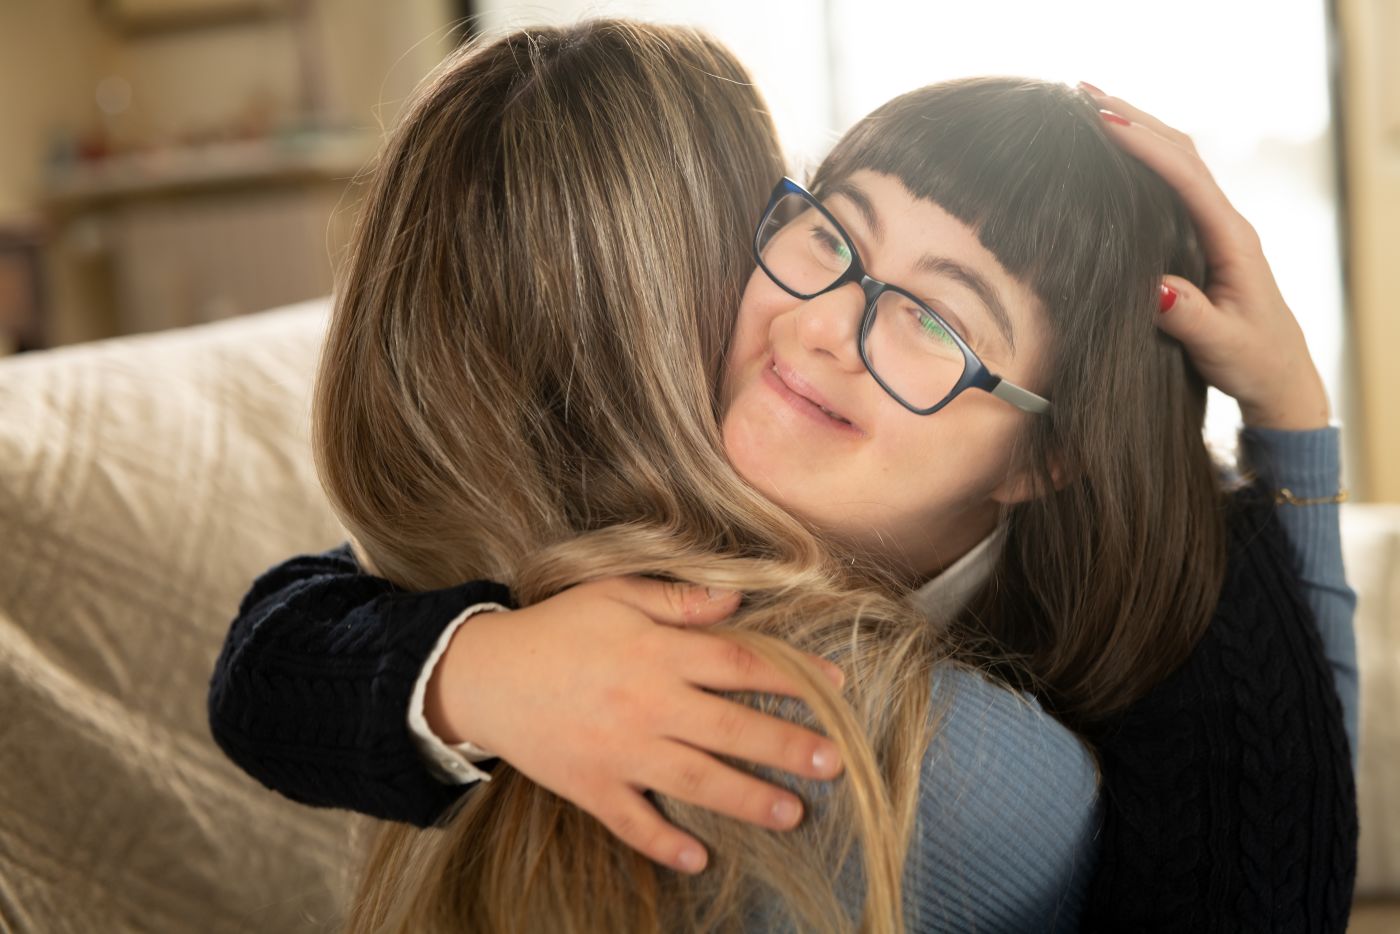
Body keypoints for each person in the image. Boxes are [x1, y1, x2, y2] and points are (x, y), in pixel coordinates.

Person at [208, 20, 1356, 933]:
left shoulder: (1005, 748)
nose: (826, 326)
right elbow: (282, 643)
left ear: (1047, 456)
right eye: (830, 234)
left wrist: (1284, 418)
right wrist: (473, 670)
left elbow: (1263, 835)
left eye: (932, 318)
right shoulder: (588, 523)